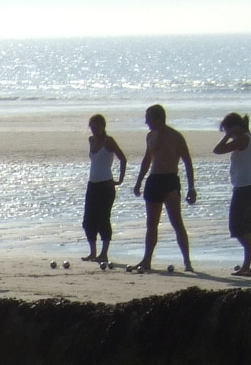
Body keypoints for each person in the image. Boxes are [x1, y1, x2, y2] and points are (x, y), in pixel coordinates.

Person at [129, 103, 195, 273]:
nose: (146, 122)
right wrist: (138, 182)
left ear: (158, 118)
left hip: (170, 180)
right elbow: (147, 160)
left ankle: (187, 261)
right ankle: (147, 259)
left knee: (177, 223)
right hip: (154, 180)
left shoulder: (175, 136)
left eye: (148, 118)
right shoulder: (150, 136)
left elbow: (187, 161)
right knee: (151, 224)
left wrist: (191, 187)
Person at [212, 112, 251, 276]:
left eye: (229, 130)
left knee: (236, 227)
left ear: (236, 127)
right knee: (247, 227)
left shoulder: (243, 139)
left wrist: (227, 136)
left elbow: (218, 150)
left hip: (245, 188)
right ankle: (247, 265)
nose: (229, 135)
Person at [82, 114, 128, 265]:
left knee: (103, 218)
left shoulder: (108, 141)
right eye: (92, 126)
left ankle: (104, 253)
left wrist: (120, 180)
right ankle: (93, 252)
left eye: (97, 126)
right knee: (88, 220)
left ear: (103, 126)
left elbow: (123, 158)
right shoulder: (91, 140)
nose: (94, 129)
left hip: (106, 185)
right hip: (92, 184)